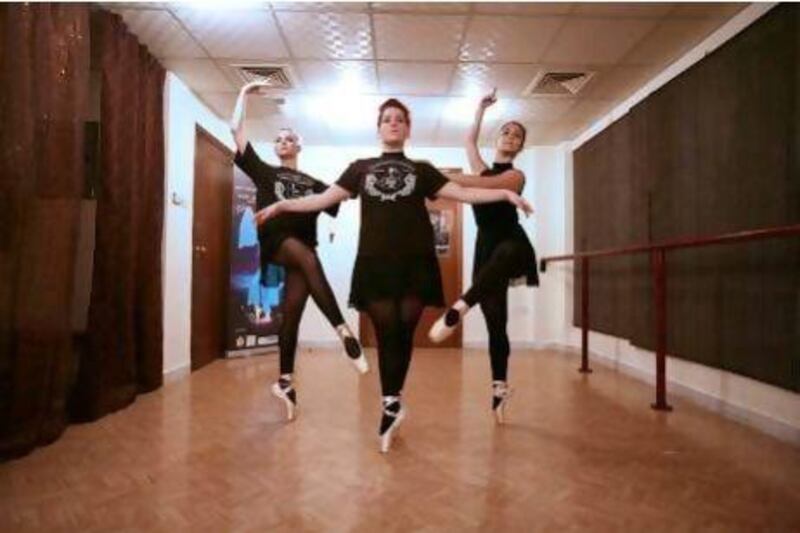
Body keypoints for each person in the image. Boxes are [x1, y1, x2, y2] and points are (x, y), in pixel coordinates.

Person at [256, 98, 532, 452]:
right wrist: (282, 204)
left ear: (407, 128)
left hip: (417, 262)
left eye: (400, 119)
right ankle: (391, 403)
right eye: (387, 119)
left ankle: (392, 401)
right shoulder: (359, 168)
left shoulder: (422, 169)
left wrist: (506, 192)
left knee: (404, 334)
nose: (393, 123)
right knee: (387, 334)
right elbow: (322, 200)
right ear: (378, 127)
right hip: (375, 263)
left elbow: (465, 193)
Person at [230, 81, 368, 422]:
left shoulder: (313, 183)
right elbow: (236, 128)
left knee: (291, 315)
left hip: (305, 249)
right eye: (278, 138)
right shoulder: (264, 171)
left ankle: (285, 382)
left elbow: (343, 194)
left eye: (289, 138)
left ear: (299, 145)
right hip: (278, 244)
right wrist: (246, 91)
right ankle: (342, 330)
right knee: (307, 259)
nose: (283, 142)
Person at [428, 88, 539, 424]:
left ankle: (459, 308)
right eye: (506, 131)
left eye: (517, 135)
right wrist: (479, 109)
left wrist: (441, 175)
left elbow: (485, 186)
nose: (510, 136)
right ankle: (499, 388)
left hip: (511, 243)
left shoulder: (514, 176)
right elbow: (469, 144)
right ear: (500, 138)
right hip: (485, 248)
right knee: (496, 323)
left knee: (504, 256)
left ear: (520, 146)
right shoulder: (482, 168)